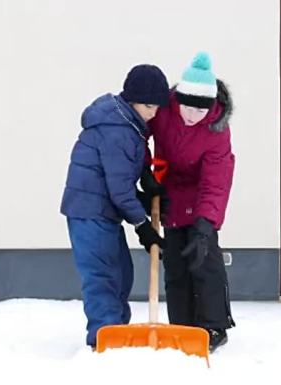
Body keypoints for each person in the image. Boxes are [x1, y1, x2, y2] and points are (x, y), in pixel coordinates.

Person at [60, 64, 169, 349]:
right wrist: (143, 226)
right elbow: (119, 190)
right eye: (149, 106)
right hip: (88, 212)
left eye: (157, 107)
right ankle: (104, 339)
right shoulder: (117, 129)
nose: (153, 113)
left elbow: (120, 176)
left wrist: (146, 188)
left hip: (102, 211)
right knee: (103, 276)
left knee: (121, 273)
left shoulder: (127, 123)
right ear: (132, 99)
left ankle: (116, 331)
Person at [140, 52, 236, 352]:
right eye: (187, 108)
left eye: (199, 111)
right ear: (177, 98)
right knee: (176, 265)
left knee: (203, 259)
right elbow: (140, 135)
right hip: (168, 191)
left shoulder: (216, 130)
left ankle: (213, 327)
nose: (191, 116)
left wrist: (207, 223)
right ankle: (181, 325)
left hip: (199, 195)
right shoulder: (165, 110)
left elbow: (216, 181)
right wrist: (147, 173)